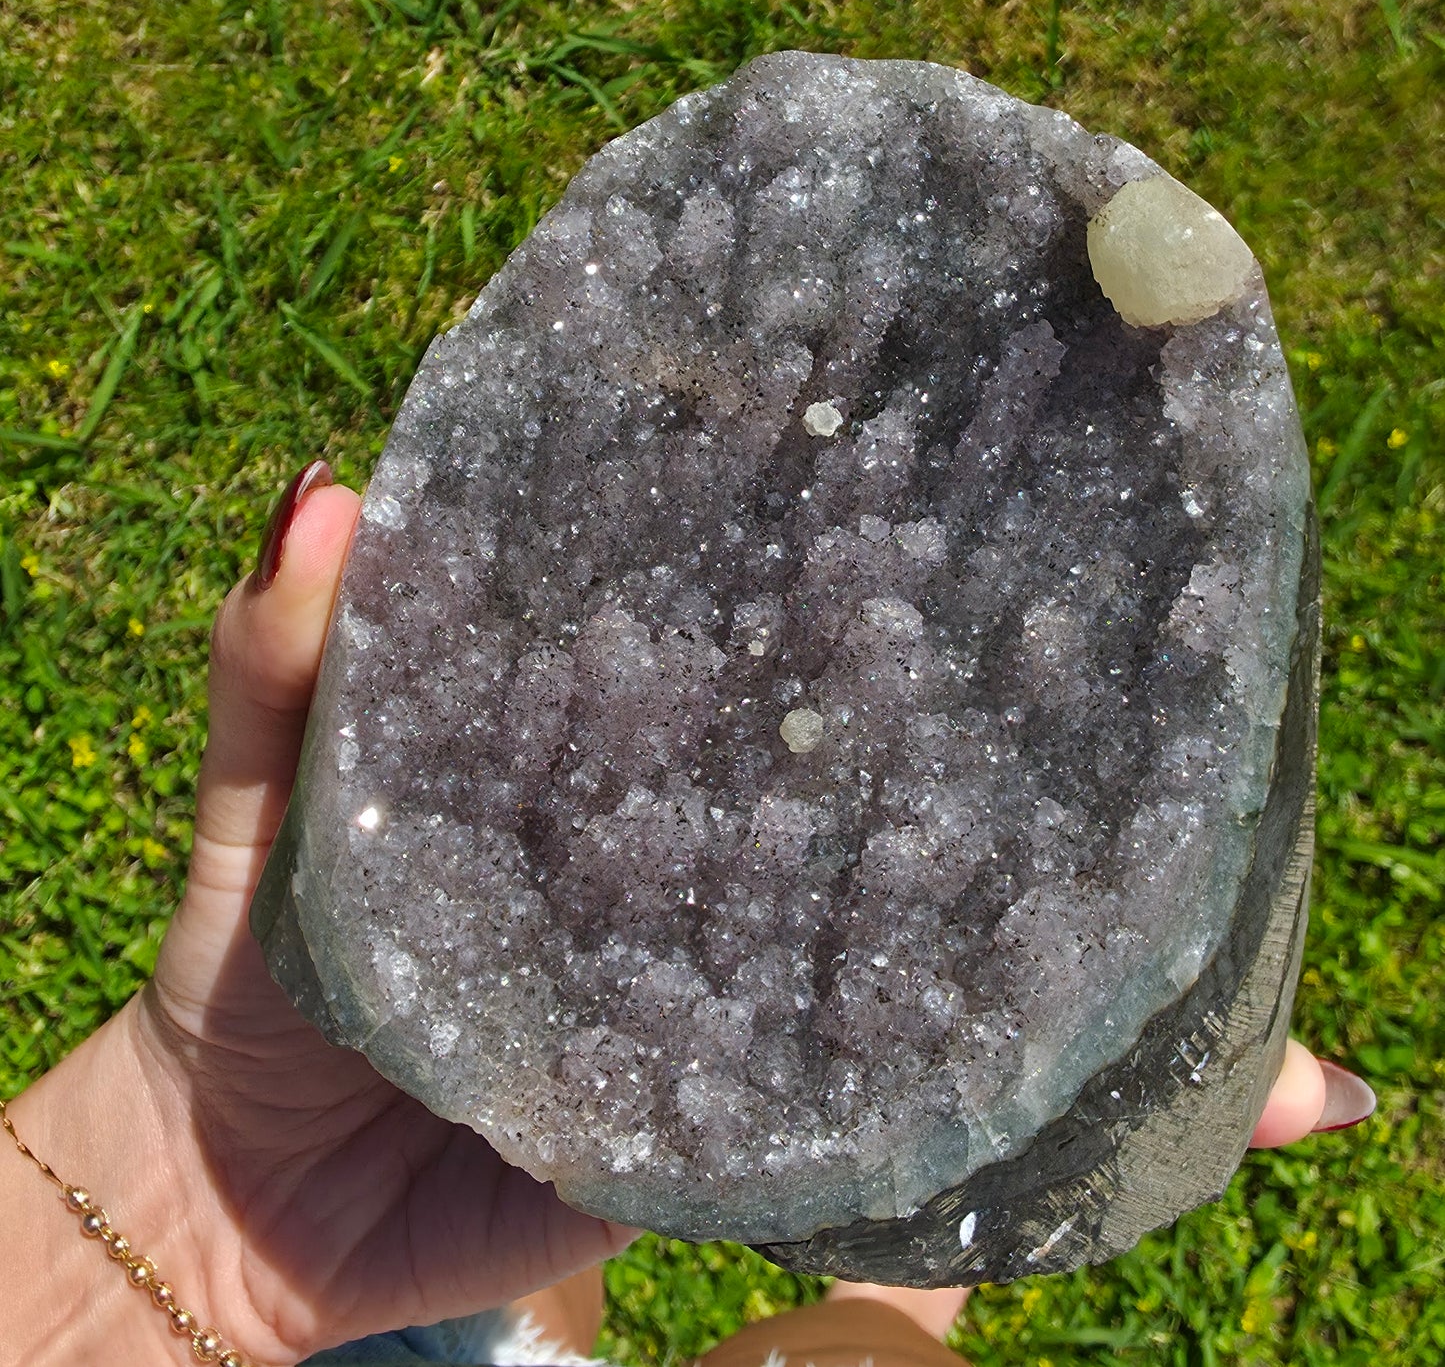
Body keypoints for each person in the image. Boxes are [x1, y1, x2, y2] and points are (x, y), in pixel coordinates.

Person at [0, 464, 1377, 1367]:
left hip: (279, 1294)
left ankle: (860, 1260)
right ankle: (878, 1286)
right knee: (755, 1328)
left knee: (525, 1309)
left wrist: (176, 1203)